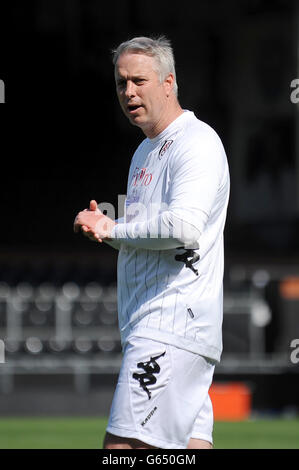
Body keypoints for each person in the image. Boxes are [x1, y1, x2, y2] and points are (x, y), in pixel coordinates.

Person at [74, 36, 230, 449]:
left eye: (139, 81)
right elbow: (147, 236)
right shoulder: (144, 152)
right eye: (121, 83)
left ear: (168, 82)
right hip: (162, 328)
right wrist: (105, 229)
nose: (129, 92)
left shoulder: (196, 143)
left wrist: (113, 230)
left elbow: (183, 228)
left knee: (121, 450)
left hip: (171, 325)